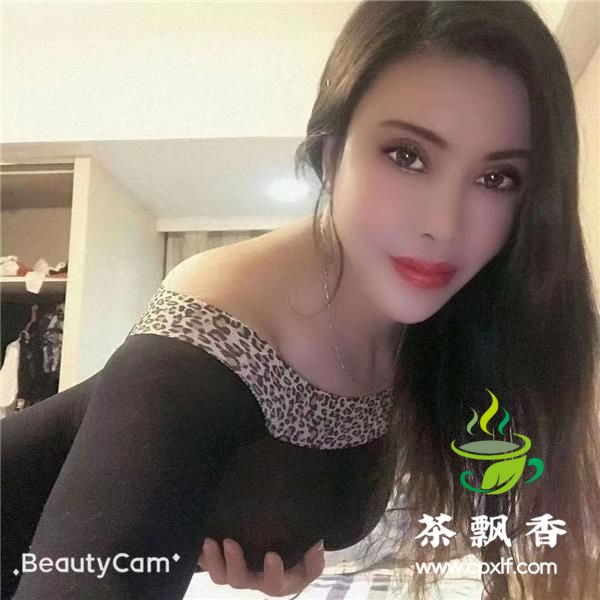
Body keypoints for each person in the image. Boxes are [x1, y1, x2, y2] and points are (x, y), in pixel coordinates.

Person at [2, 1, 600, 599]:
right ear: (331, 152)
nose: (444, 225)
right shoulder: (208, 341)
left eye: (496, 178)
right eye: (407, 156)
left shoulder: (452, 318)